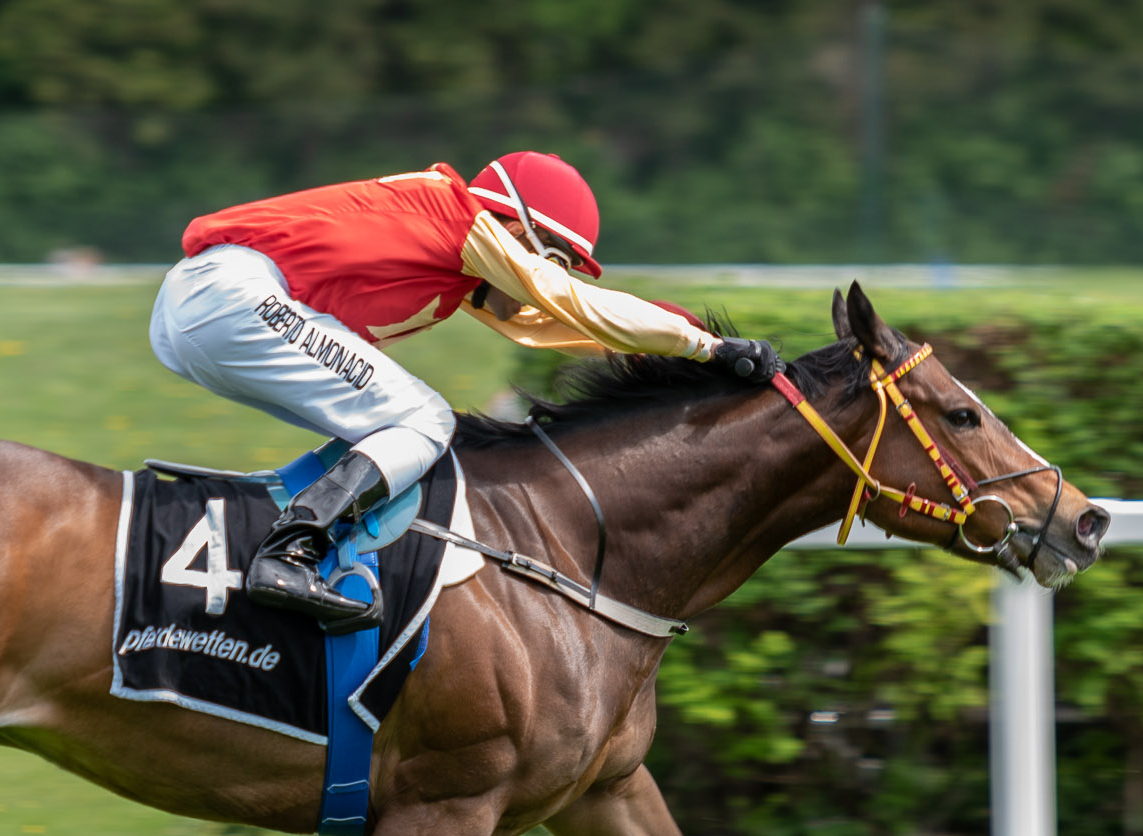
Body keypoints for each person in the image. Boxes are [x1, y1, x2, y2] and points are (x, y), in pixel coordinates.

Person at [150, 152, 786, 622]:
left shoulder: (452, 252)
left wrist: (687, 342)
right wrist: (705, 346)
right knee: (425, 421)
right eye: (551, 259)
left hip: (199, 311)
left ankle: (265, 535)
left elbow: (545, 324)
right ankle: (287, 555)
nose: (544, 277)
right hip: (231, 297)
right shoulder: (461, 219)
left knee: (382, 433)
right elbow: (568, 301)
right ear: (517, 228)